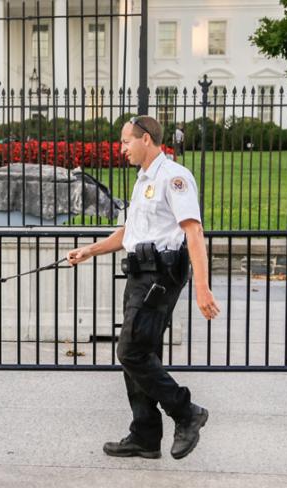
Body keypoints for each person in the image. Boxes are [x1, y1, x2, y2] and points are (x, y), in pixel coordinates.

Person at [66, 115, 220, 460]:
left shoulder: (174, 177)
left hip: (159, 278)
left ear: (146, 139)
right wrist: (89, 250)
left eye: (125, 141)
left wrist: (202, 288)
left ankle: (187, 412)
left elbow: (194, 232)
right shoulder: (144, 181)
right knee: (140, 354)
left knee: (131, 352)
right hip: (139, 276)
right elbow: (131, 232)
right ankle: (146, 435)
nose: (121, 149)